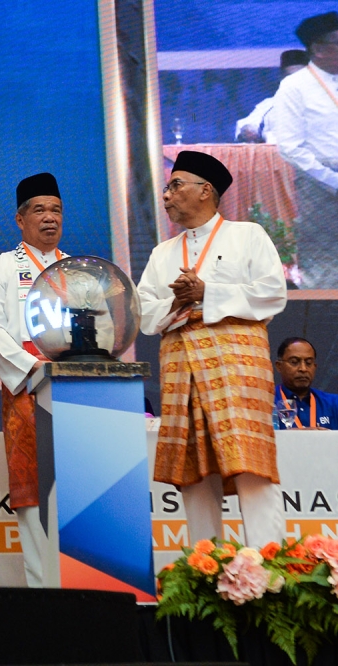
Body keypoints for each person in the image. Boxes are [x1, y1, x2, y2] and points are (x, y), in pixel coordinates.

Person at [137, 150, 288, 549]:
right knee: (195, 473)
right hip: (182, 370)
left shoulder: (248, 235)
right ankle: (205, 570)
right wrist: (177, 303)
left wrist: (209, 293)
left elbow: (272, 294)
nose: (166, 195)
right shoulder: (162, 254)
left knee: (250, 466)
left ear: (206, 191)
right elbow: (142, 313)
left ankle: (269, 571)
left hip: (236, 370)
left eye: (174, 185)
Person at [0, 172, 66, 588]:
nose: (49, 218)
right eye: (39, 210)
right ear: (20, 219)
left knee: (75, 489)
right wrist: (33, 370)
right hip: (27, 386)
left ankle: (83, 582)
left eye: (56, 210)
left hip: (75, 387)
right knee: (32, 492)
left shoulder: (77, 269)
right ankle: (42, 587)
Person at [273, 12, 338, 289]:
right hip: (319, 180)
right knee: (324, 260)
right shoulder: (295, 86)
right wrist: (332, 179)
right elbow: (289, 146)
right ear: (319, 48)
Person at [235, 49, 309, 143]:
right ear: (281, 78)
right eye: (290, 77)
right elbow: (248, 124)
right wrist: (247, 130)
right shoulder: (270, 104)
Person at [274, 336, 338, 429]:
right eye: (294, 362)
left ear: (315, 367)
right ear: (279, 366)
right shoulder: (266, 403)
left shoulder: (333, 403)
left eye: (308, 363)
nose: (303, 369)